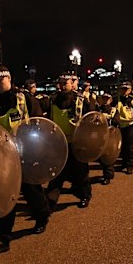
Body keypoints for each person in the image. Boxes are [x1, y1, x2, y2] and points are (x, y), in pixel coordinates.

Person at [0, 66, 51, 258]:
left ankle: (42, 216)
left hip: (25, 154)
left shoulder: (24, 98)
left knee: (33, 191)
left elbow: (38, 122)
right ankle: (3, 238)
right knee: (4, 196)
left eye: (0, 80)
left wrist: (38, 150)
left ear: (9, 79)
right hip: (4, 157)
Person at [45, 72, 93, 209]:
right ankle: (50, 201)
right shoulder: (53, 99)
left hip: (76, 143)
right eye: (59, 83)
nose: (60, 86)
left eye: (64, 83)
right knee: (56, 173)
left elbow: (91, 119)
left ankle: (84, 196)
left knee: (81, 172)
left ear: (72, 84)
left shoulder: (81, 100)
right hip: (59, 143)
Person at [95, 92, 120, 185]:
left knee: (109, 156)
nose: (105, 100)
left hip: (111, 136)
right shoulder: (98, 110)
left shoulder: (114, 110)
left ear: (110, 100)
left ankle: (108, 176)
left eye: (107, 99)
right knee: (102, 157)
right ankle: (106, 173)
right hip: (101, 136)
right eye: (104, 98)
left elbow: (117, 122)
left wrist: (110, 119)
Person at [114, 81, 133, 175]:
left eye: (126, 89)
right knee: (122, 146)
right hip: (120, 126)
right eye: (122, 89)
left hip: (130, 126)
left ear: (130, 90)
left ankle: (130, 165)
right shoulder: (116, 99)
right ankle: (124, 163)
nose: (124, 91)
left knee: (130, 146)